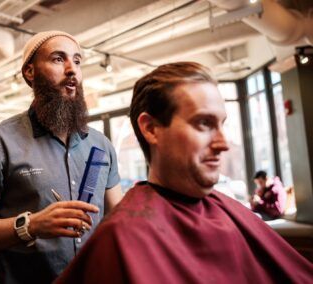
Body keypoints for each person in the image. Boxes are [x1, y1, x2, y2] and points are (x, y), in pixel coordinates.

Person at [57, 62, 313, 283]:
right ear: (151, 129)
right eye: (204, 123)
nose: (223, 143)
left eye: (222, 124)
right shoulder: (121, 238)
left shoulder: (231, 212)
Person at [0, 31, 122, 284]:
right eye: (57, 59)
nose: (71, 69)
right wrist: (31, 225)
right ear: (30, 72)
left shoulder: (102, 145)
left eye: (77, 61)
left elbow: (116, 217)